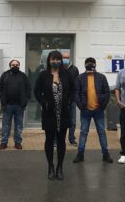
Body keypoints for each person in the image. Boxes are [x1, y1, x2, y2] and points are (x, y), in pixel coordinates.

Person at [33, 50, 75, 180]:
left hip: (63, 113)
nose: (55, 61)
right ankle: (51, 167)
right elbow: (36, 91)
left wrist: (69, 101)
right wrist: (43, 102)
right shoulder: (43, 75)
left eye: (58, 59)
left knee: (62, 141)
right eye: (53, 59)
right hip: (49, 114)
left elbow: (73, 90)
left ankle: (60, 167)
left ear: (61, 60)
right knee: (49, 141)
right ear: (49, 60)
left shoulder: (67, 74)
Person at [72, 57, 112, 163]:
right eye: (88, 63)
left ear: (95, 65)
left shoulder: (101, 77)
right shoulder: (80, 78)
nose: (90, 65)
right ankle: (80, 154)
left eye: (92, 63)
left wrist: (102, 105)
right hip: (85, 110)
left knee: (101, 132)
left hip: (99, 110)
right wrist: (81, 106)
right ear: (85, 65)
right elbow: (77, 93)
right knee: (83, 132)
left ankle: (105, 153)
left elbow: (107, 92)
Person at [0, 59, 31, 150]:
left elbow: (28, 88)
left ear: (19, 66)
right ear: (10, 66)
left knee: (19, 125)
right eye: (13, 65)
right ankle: (4, 143)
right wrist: (2, 97)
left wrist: (26, 99)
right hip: (7, 105)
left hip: (19, 106)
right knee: (5, 125)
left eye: (16, 65)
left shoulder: (23, 76)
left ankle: (18, 143)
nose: (15, 66)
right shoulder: (5, 75)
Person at [65, 56, 80, 145]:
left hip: (72, 100)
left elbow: (77, 84)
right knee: (60, 121)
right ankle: (57, 139)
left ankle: (71, 138)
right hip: (61, 99)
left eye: (66, 58)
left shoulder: (74, 69)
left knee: (72, 121)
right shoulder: (59, 68)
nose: (65, 60)